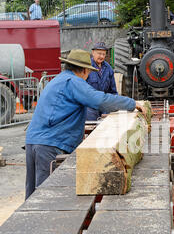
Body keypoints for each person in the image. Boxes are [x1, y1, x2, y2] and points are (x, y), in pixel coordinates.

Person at [25, 49, 147, 199]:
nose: (88, 75)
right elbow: (100, 100)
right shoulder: (73, 82)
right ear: (83, 70)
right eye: (88, 72)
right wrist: (131, 103)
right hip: (50, 144)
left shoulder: (58, 80)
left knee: (31, 199)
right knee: (45, 199)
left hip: (34, 141)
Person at [85, 42, 118, 121]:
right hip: (90, 106)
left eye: (104, 54)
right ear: (93, 53)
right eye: (99, 53)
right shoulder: (87, 67)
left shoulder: (108, 68)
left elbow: (113, 91)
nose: (102, 56)